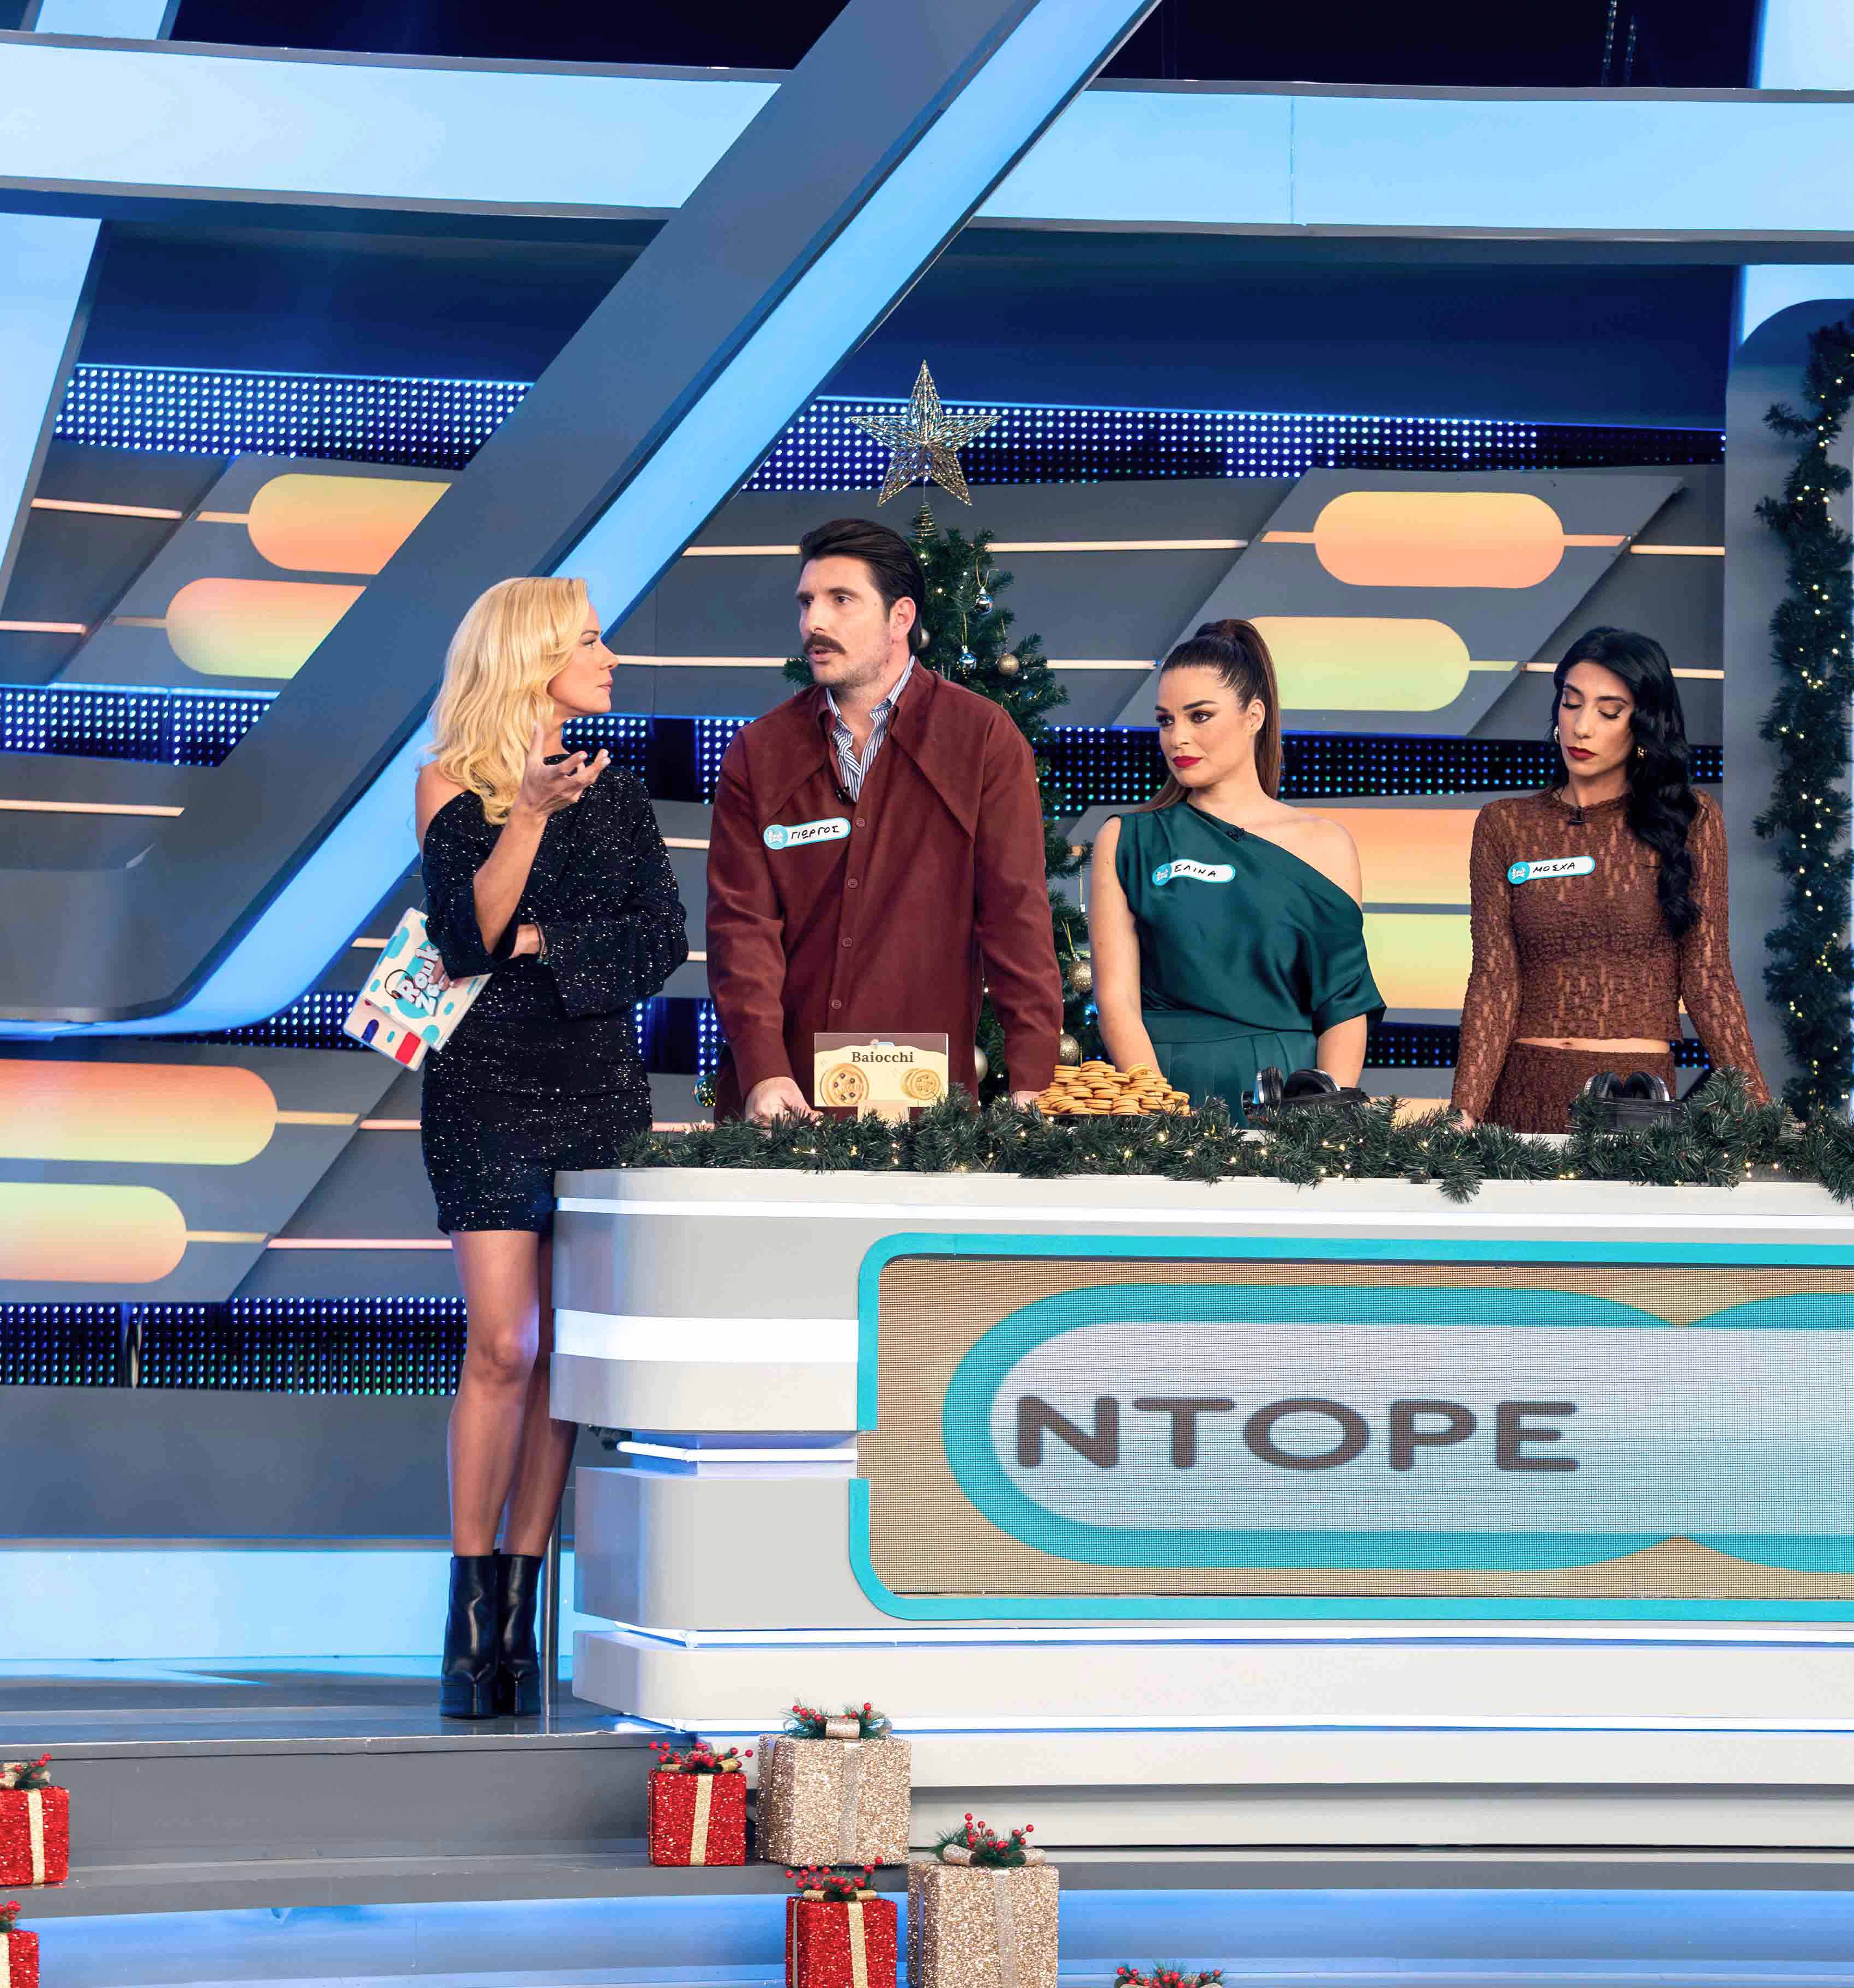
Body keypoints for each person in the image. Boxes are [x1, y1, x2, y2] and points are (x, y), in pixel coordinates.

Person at [414, 577, 687, 1719]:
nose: (609, 657)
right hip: (484, 1085)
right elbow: (464, 940)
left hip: (596, 1086)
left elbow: (660, 938)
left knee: (564, 1356)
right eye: (590, 640)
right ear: (532, 656)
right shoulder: (447, 782)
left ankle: (521, 1612)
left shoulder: (615, 790)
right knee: (504, 1345)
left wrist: (545, 943)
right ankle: (468, 1616)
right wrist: (525, 813)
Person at [705, 517, 1062, 1120]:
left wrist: (1035, 1078)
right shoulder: (758, 751)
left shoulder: (982, 739)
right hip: (782, 1105)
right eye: (807, 602)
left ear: (901, 617)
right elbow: (742, 930)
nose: (814, 622)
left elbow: (1015, 917)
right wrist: (763, 1072)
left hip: (926, 1111)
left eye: (841, 600)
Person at [1451, 627, 1768, 1130]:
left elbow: (1708, 978)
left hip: (1635, 1100)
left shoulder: (1690, 820)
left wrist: (1760, 1109)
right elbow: (1495, 979)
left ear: (1643, 723)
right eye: (1571, 703)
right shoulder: (1505, 824)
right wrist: (1464, 1111)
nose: (1581, 727)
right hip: (1522, 1094)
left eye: (1609, 711)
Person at [1087, 619, 1381, 1117]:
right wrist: (1163, 1116)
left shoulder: (1327, 844)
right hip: (1164, 1090)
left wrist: (1323, 1117)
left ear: (1254, 716)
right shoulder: (1127, 840)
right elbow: (1117, 1003)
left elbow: (1344, 1004)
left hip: (1289, 1097)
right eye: (1165, 721)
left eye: (1199, 716)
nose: (1177, 738)